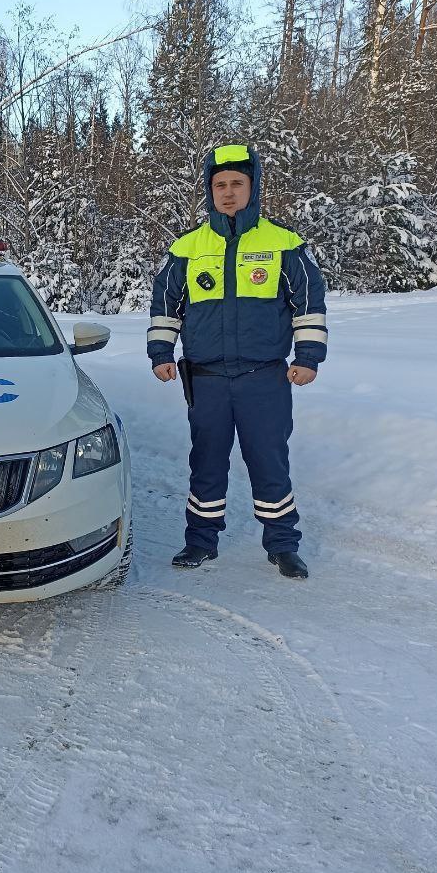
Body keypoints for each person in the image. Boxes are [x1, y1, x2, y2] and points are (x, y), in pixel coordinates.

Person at [147, 144, 327, 579]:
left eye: (237, 184)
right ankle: (200, 543)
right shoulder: (188, 248)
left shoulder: (283, 243)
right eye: (219, 185)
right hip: (206, 379)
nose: (228, 192)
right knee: (206, 462)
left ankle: (282, 545)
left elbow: (308, 303)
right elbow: (166, 304)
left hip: (263, 377)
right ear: (210, 191)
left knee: (269, 461)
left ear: (253, 187)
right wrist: (160, 352)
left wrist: (308, 357)